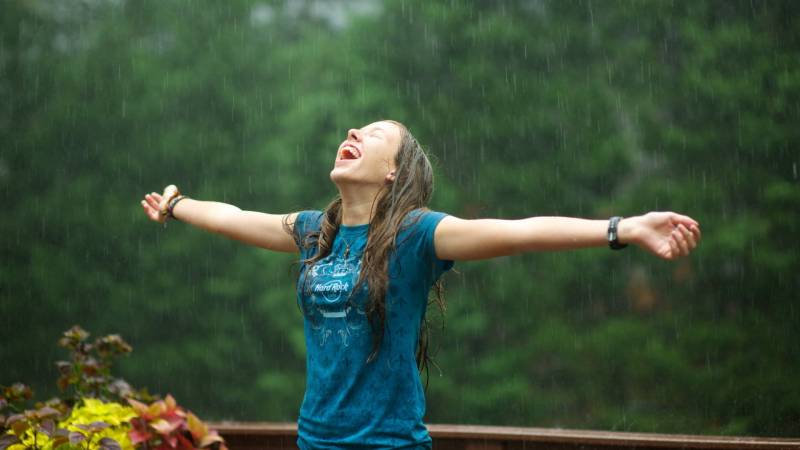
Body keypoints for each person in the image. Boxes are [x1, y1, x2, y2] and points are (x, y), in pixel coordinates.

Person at [140, 119, 701, 449]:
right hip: (314, 439)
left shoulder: (417, 237)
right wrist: (178, 205)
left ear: (394, 171)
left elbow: (519, 231)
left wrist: (622, 228)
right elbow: (238, 217)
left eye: (376, 132)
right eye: (354, 128)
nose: (354, 131)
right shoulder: (317, 231)